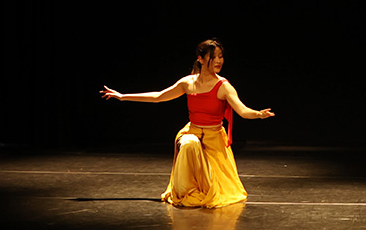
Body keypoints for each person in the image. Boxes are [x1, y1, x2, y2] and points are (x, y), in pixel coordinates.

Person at [100, 39, 274, 208]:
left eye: (221, 56)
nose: (219, 61)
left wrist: (258, 114)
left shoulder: (223, 86)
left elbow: (242, 110)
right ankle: (185, 191)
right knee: (190, 143)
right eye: (213, 57)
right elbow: (158, 96)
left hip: (214, 140)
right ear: (201, 59)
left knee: (213, 189)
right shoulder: (187, 83)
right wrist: (123, 96)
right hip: (192, 133)